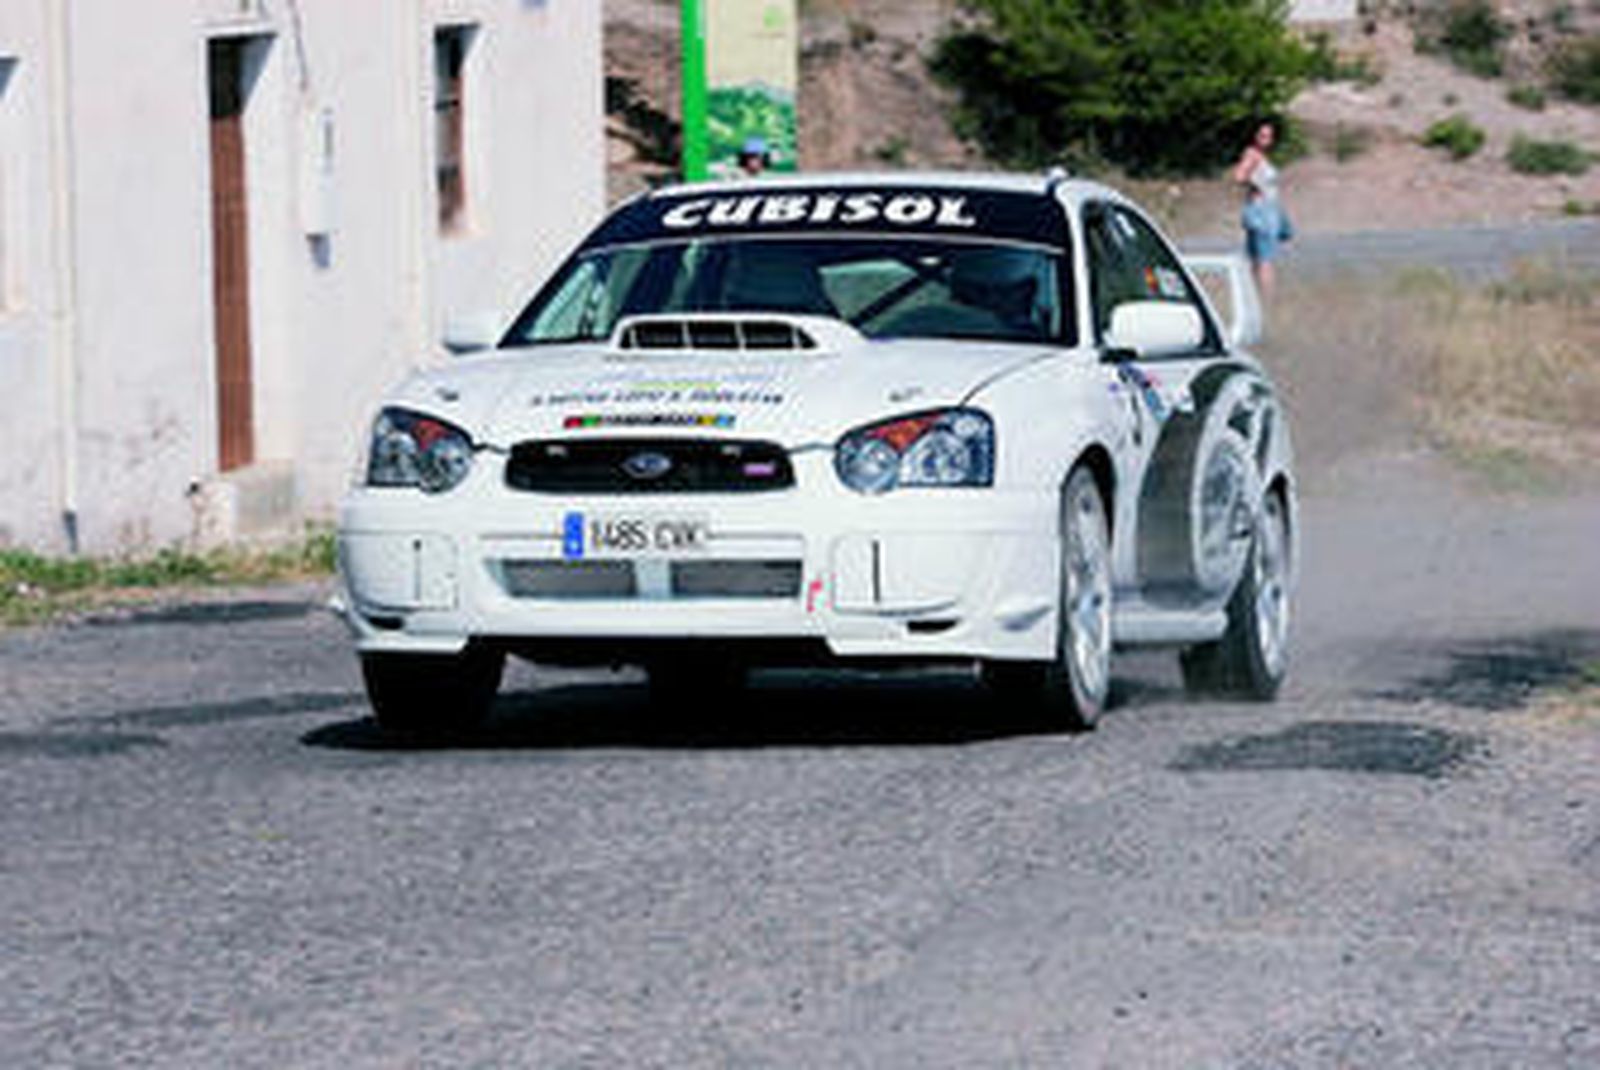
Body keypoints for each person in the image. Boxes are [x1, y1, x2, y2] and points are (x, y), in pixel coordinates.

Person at [1233, 121, 1291, 299]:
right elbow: (1239, 176)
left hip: (1262, 210)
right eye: (1262, 135)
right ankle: (1267, 299)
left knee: (1256, 259)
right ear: (1254, 136)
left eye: (1269, 136)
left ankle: (1256, 298)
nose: (1266, 139)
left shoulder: (1259, 155)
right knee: (1265, 260)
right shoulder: (1253, 154)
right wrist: (1255, 185)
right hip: (1261, 211)